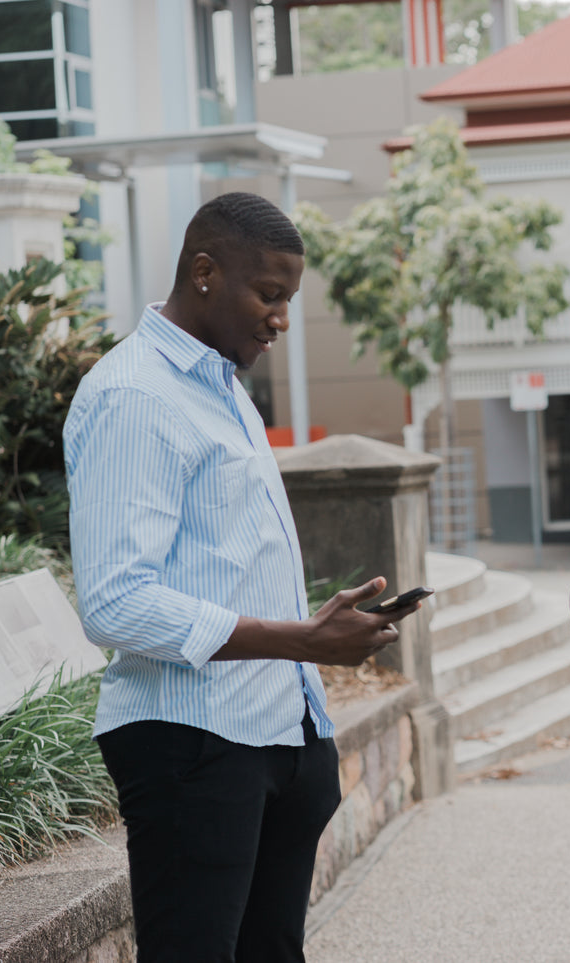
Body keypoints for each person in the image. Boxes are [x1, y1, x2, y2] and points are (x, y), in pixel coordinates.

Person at [65, 192, 412, 963]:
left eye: (288, 298)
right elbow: (116, 602)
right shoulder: (133, 395)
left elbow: (227, 565)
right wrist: (303, 640)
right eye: (270, 294)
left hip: (275, 739)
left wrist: (309, 662)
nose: (281, 318)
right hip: (191, 746)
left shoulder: (222, 388)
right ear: (203, 272)